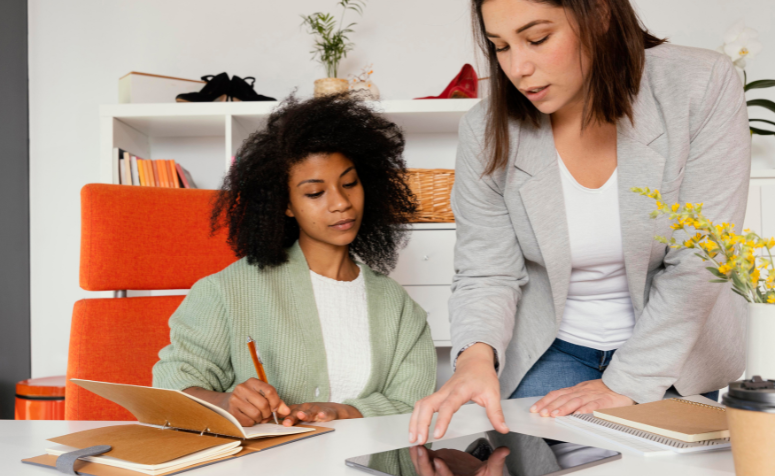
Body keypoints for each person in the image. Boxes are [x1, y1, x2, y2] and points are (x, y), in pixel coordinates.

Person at [409, 0, 750, 445]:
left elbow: (699, 261)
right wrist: (475, 360)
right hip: (549, 353)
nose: (518, 68)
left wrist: (622, 384)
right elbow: (486, 269)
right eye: (501, 47)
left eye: (537, 39)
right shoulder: (486, 127)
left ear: (600, 15)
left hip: (673, 353)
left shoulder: (700, 84)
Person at [153, 93, 436, 426]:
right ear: (285, 204)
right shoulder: (227, 291)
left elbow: (413, 401)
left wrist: (345, 412)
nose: (341, 202)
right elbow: (171, 386)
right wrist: (226, 402)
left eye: (349, 183)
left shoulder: (398, 306)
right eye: (315, 193)